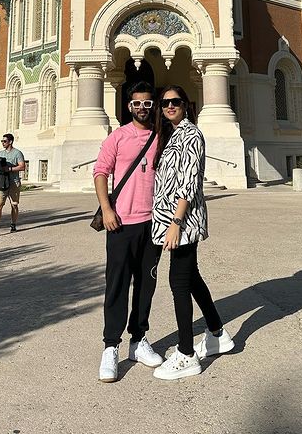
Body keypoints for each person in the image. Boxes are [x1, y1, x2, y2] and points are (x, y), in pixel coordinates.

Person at [151, 85, 234, 381]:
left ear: (186, 105)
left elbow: (189, 180)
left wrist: (175, 221)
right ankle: (217, 334)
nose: (170, 106)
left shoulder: (191, 134)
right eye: (165, 103)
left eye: (175, 102)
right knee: (192, 278)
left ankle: (186, 354)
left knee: (179, 282)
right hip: (170, 218)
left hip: (181, 221)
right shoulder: (170, 134)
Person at [93, 81, 163, 383]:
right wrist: (107, 210)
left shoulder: (162, 136)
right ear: (129, 106)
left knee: (146, 285)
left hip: (153, 223)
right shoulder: (118, 136)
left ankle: (138, 340)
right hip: (121, 222)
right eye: (137, 104)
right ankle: (111, 346)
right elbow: (100, 172)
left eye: (148, 104)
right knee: (117, 285)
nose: (142, 109)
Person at [0, 133, 25, 237]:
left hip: (13, 182)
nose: (3, 143)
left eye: (5, 141)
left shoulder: (17, 153)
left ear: (10, 142)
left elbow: (22, 167)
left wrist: (9, 168)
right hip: (2, 182)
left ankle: (13, 224)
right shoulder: (0, 154)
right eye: (2, 141)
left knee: (14, 205)